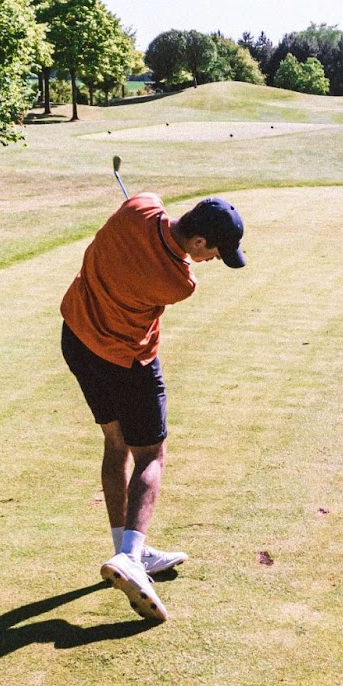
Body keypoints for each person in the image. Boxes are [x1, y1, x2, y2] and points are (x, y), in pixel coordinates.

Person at [60, 192, 246, 621]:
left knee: (115, 442)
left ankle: (128, 551)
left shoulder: (137, 207)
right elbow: (165, 260)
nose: (217, 258)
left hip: (77, 339)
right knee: (151, 454)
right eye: (216, 250)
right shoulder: (180, 283)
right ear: (198, 242)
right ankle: (129, 557)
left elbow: (150, 210)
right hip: (127, 360)